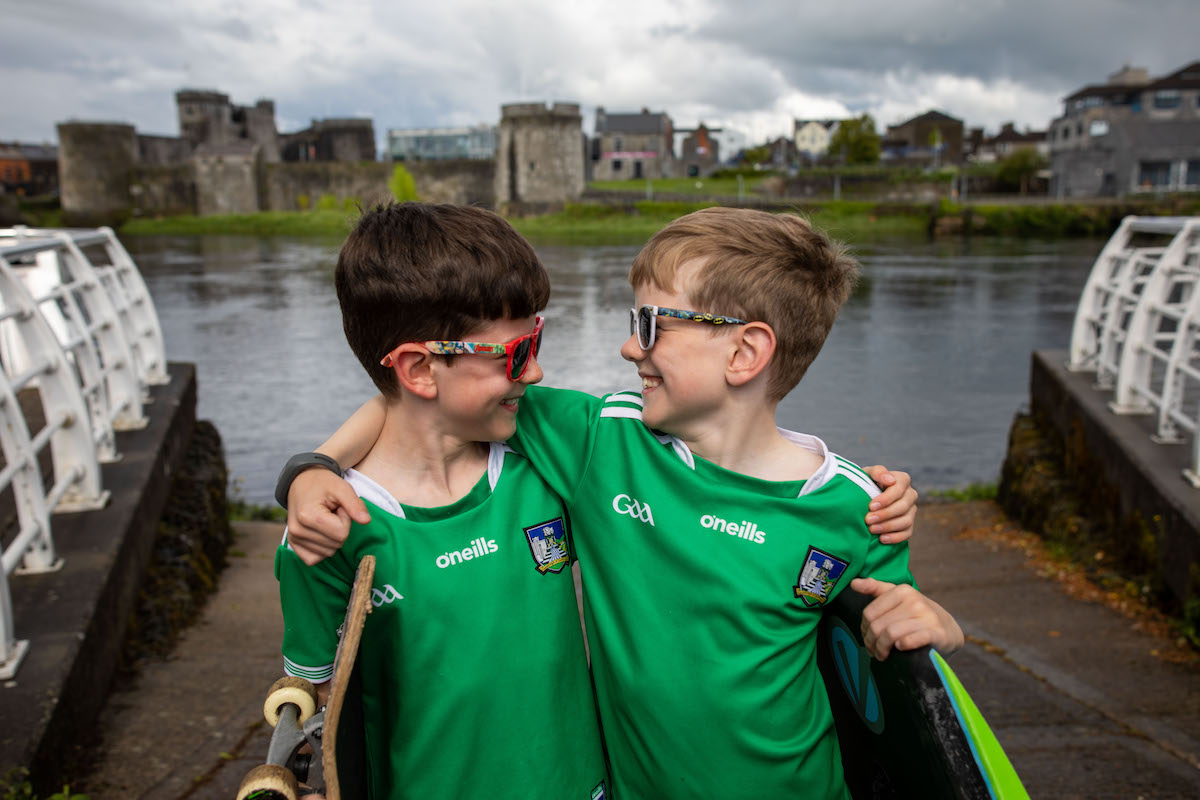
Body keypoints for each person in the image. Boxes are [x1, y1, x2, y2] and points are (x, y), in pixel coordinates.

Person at [284, 206, 961, 798]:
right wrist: (313, 468)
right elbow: (421, 395)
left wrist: (937, 626)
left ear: (746, 352)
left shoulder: (860, 507)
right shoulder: (600, 445)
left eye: (651, 323)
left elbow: (896, 655)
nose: (628, 345)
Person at [274, 203, 609, 799]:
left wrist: (312, 462)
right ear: (420, 370)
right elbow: (329, 717)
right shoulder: (327, 530)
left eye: (537, 339)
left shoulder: (549, 456)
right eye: (514, 353)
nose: (535, 371)